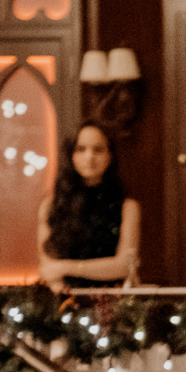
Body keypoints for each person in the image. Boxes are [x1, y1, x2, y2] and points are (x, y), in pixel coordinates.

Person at [38, 123, 140, 291]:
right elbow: (48, 268)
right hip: (63, 301)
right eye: (81, 149)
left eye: (98, 150)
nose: (89, 157)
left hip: (111, 302)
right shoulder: (51, 206)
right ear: (71, 155)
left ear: (110, 155)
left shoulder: (127, 207)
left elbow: (123, 266)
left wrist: (66, 267)